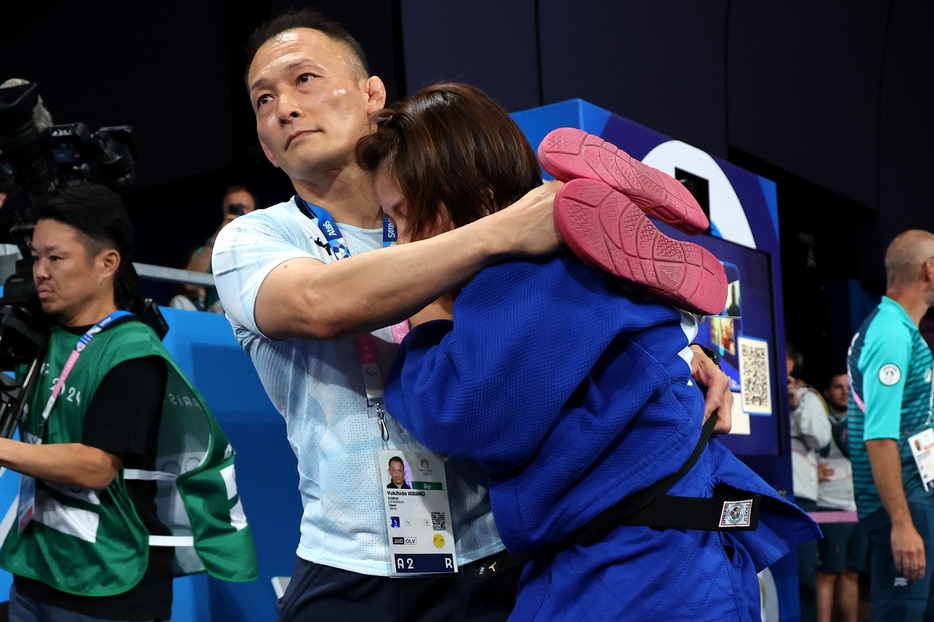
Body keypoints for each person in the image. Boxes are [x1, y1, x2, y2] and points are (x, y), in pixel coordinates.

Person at [213, 10, 733, 622]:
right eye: (263, 99)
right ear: (265, 145)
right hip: (354, 568)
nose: (285, 108)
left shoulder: (449, 206)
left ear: (372, 94)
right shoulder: (254, 239)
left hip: (502, 554)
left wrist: (682, 359)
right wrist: (502, 230)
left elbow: (555, 318)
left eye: (304, 79)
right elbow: (319, 303)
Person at [361, 82, 820, 621]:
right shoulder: (589, 266)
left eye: (405, 215)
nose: (399, 241)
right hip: (683, 546)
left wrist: (423, 322)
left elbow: (460, 413)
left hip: (632, 570)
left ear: (479, 199)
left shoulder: (516, 281)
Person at [0, 183, 257, 621]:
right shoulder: (40, 336)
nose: (39, 271)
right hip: (36, 573)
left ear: (107, 263)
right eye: (36, 256)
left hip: (112, 586)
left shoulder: (131, 352)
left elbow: (96, 466)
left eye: (55, 258)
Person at [848, 229, 934, 621]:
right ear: (930, 269)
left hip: (915, 500)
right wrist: (901, 523)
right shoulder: (889, 334)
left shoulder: (899, 330)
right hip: (902, 507)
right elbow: (879, 436)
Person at [815, 368, 867, 622]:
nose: (844, 392)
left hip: (859, 506)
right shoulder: (817, 422)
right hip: (829, 506)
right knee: (828, 573)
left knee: (852, 573)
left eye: (849, 388)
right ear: (827, 392)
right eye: (838, 387)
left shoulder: (865, 422)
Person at [786, 344, 833, 622]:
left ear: (790, 363)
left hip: (800, 492)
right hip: (762, 488)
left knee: (803, 573)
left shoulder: (807, 396)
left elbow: (821, 438)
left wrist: (795, 407)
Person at [178, 185, 257, 312]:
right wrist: (218, 235)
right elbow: (189, 284)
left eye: (244, 208)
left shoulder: (264, 243)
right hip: (221, 315)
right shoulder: (213, 248)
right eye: (233, 208)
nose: (238, 212)